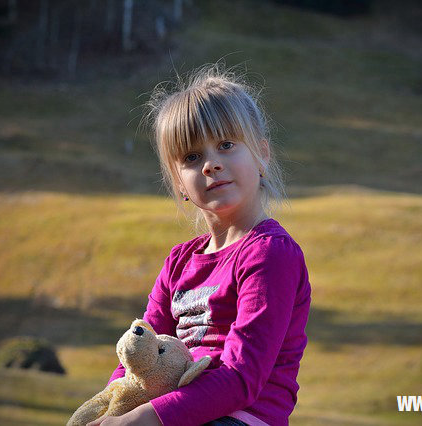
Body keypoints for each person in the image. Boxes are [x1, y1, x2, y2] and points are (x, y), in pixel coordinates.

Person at [89, 65, 311, 426]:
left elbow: (242, 379)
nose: (211, 164)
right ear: (179, 182)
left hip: (239, 418)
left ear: (262, 154)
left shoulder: (269, 253)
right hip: (174, 414)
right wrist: (111, 407)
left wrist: (146, 418)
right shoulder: (178, 263)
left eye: (226, 145)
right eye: (192, 157)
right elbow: (139, 351)